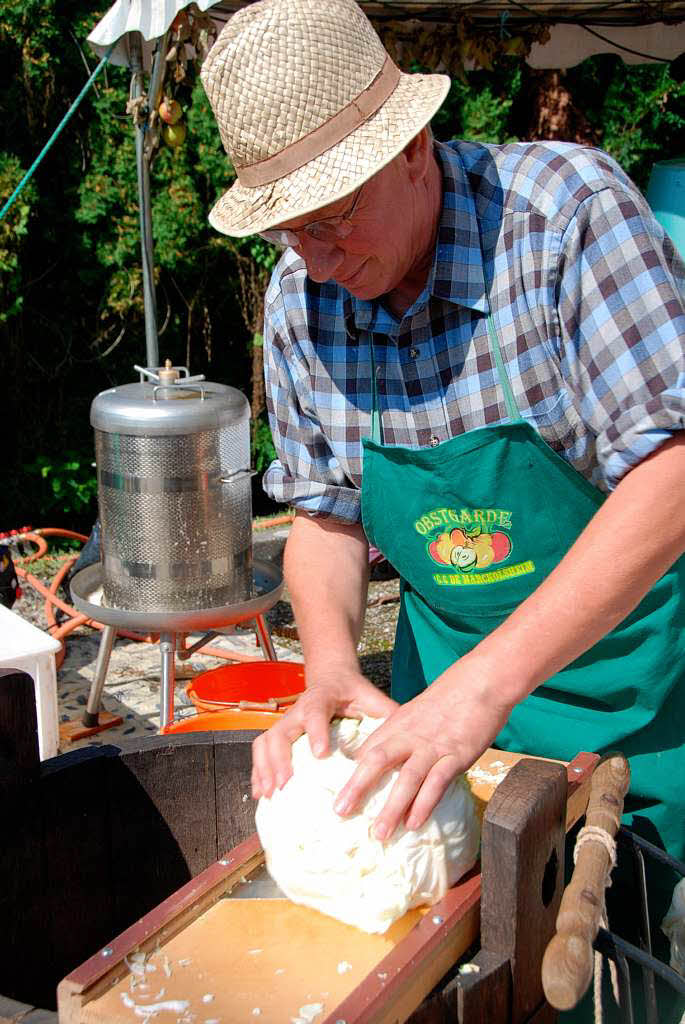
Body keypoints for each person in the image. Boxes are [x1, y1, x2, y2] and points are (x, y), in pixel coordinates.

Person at [200, 0, 685, 920]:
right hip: (441, 729)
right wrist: (333, 669)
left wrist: (485, 687)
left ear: (413, 146)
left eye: (333, 216)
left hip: (636, 715)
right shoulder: (301, 298)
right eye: (290, 230)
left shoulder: (564, 218)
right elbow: (325, 511)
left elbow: (674, 468)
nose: (317, 254)